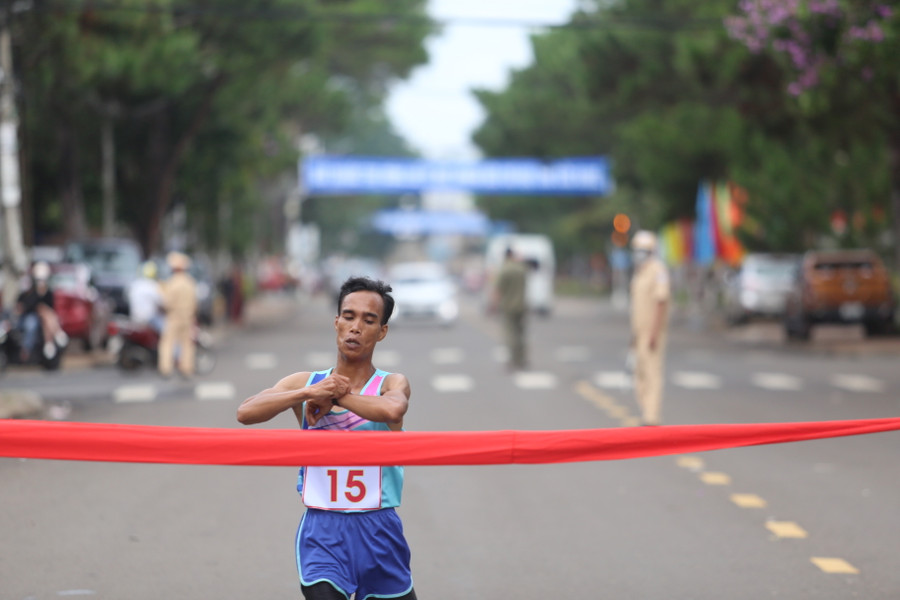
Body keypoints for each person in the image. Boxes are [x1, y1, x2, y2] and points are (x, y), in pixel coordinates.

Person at [237, 277, 417, 600]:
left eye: (369, 320)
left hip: (379, 534)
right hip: (323, 534)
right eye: (348, 316)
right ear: (336, 322)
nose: (356, 327)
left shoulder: (391, 383)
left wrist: (336, 397)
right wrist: (309, 392)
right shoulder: (307, 383)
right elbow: (246, 412)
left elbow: (393, 411)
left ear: (382, 332)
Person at [629, 230, 671, 426]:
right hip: (639, 332)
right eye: (637, 250)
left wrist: (654, 333)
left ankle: (651, 417)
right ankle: (646, 410)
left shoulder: (658, 271)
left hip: (653, 333)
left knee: (652, 373)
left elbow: (660, 302)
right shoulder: (639, 272)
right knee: (640, 374)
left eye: (643, 250)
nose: (639, 253)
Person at [15, 261, 67, 361]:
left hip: (44, 320)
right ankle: (55, 334)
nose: (40, 282)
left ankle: (49, 343)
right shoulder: (30, 291)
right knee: (33, 321)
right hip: (31, 316)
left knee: (46, 315)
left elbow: (51, 306)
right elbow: (27, 305)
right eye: (38, 279)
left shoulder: (48, 292)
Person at [158, 251, 197, 378]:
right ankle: (186, 368)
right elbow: (195, 302)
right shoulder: (190, 282)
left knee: (168, 342)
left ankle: (166, 368)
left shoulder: (172, 283)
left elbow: (166, 302)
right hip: (187, 317)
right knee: (187, 344)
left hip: (174, 317)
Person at [492, 246, 529, 371]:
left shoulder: (505, 270)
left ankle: (513, 361)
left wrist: (494, 306)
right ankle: (522, 359)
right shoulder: (521, 268)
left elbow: (498, 290)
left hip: (508, 306)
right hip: (522, 305)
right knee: (521, 334)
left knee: (510, 335)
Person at [128, 260, 164, 333]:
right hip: (149, 319)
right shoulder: (153, 286)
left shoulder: (135, 284)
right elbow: (161, 303)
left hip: (134, 318)